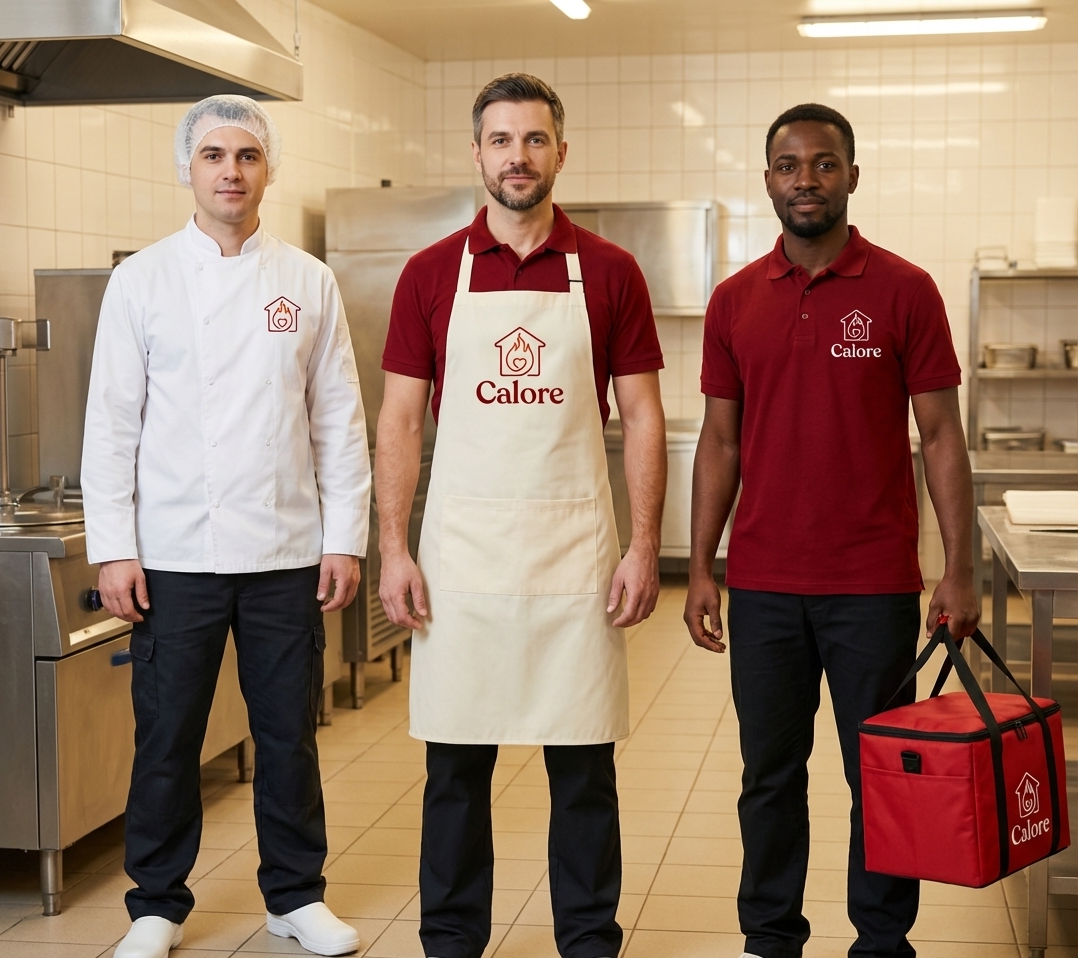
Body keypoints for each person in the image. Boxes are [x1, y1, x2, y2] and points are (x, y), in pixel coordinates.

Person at [375, 74, 667, 958]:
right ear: (477, 154)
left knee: (583, 768)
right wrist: (394, 546)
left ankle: (588, 941)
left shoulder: (611, 271)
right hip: (462, 557)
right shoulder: (429, 273)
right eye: (500, 141)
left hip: (573, 554)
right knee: (455, 770)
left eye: (534, 140)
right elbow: (397, 418)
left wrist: (645, 545)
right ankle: (451, 942)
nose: (517, 156)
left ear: (561, 153)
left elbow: (644, 414)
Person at [683, 103, 979, 958]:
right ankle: (771, 937)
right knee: (767, 779)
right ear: (767, 178)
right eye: (787, 164)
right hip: (767, 584)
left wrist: (955, 571)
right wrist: (702, 566)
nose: (804, 178)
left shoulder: (905, 290)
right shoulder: (735, 300)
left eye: (822, 163)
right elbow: (720, 442)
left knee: (879, 776)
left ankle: (881, 941)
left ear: (852, 175)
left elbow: (942, 438)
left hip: (874, 585)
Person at [82, 95, 372, 958]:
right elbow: (111, 424)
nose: (231, 172)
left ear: (268, 170)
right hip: (172, 553)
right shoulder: (142, 279)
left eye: (247, 155)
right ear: (188, 169)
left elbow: (338, 420)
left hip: (284, 550)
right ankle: (156, 906)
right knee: (166, 739)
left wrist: (344, 536)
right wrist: (115, 547)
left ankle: (295, 896)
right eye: (214, 155)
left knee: (288, 735)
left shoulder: (308, 280)